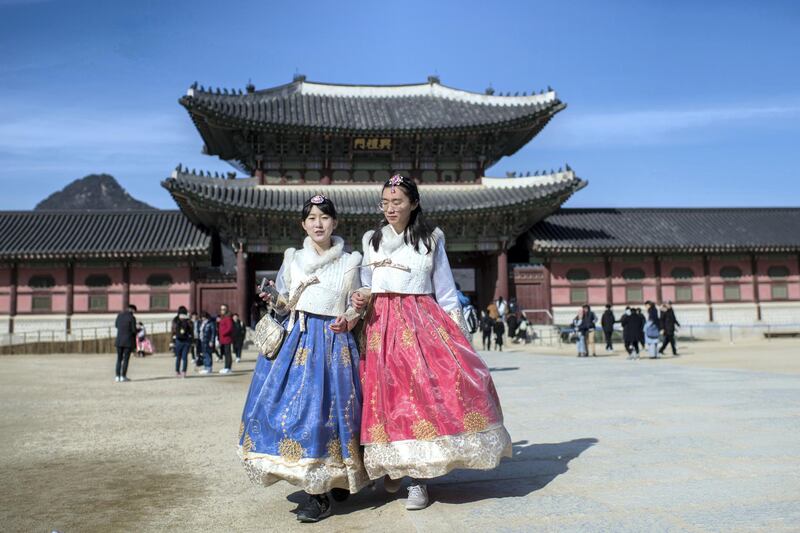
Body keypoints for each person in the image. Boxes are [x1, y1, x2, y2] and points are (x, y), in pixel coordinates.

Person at [350, 175, 511, 511]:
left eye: (397, 202)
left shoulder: (431, 239)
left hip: (420, 321)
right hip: (380, 325)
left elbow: (447, 290)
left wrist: (459, 337)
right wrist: (360, 300)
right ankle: (393, 463)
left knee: (420, 398)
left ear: (414, 203)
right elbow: (366, 284)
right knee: (385, 398)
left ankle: (418, 480)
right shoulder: (372, 239)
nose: (390, 208)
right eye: (385, 203)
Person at [238, 194, 368, 523]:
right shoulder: (293, 258)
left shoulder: (352, 261)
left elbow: (359, 303)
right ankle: (316, 492)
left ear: (335, 222)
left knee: (336, 414)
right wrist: (274, 299)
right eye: (311, 218)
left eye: (324, 217)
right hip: (298, 343)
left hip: (334, 345)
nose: (318, 223)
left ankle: (335, 477)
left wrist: (350, 315)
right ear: (303, 224)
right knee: (300, 414)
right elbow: (285, 305)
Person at [114, 304, 137, 382]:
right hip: (128, 341)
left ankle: (117, 376)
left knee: (119, 359)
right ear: (132, 310)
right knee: (126, 359)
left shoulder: (119, 316)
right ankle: (123, 376)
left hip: (119, 340)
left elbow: (116, 325)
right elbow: (134, 330)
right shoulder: (132, 318)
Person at [172, 305, 193, 378]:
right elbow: (173, 331)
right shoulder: (178, 320)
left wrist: (172, 341)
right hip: (182, 340)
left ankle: (181, 371)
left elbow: (173, 331)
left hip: (182, 341)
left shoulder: (185, 320)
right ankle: (180, 371)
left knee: (181, 357)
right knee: (181, 357)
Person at [217, 304, 234, 374]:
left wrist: (223, 333)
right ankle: (226, 367)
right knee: (225, 353)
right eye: (221, 309)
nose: (222, 311)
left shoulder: (228, 318)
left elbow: (230, 328)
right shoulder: (222, 317)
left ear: (226, 310)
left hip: (226, 338)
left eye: (223, 309)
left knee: (227, 353)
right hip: (223, 339)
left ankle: (228, 367)